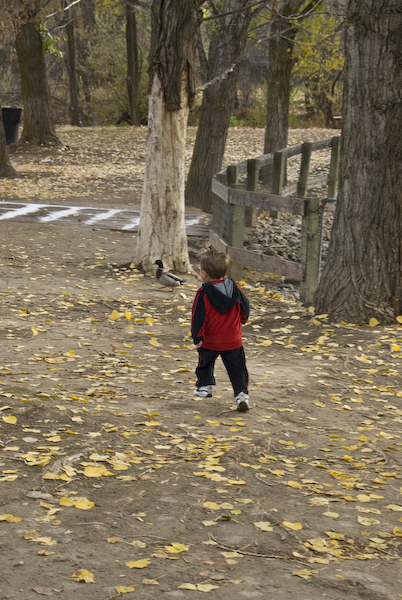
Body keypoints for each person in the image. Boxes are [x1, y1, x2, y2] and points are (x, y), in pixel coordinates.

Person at [191, 249, 250, 412]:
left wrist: (197, 336)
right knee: (238, 368)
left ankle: (204, 386)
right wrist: (243, 318)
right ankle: (241, 395)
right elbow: (245, 305)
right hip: (233, 339)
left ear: (203, 273)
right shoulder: (235, 288)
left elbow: (198, 315)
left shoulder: (203, 292)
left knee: (204, 362)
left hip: (210, 340)